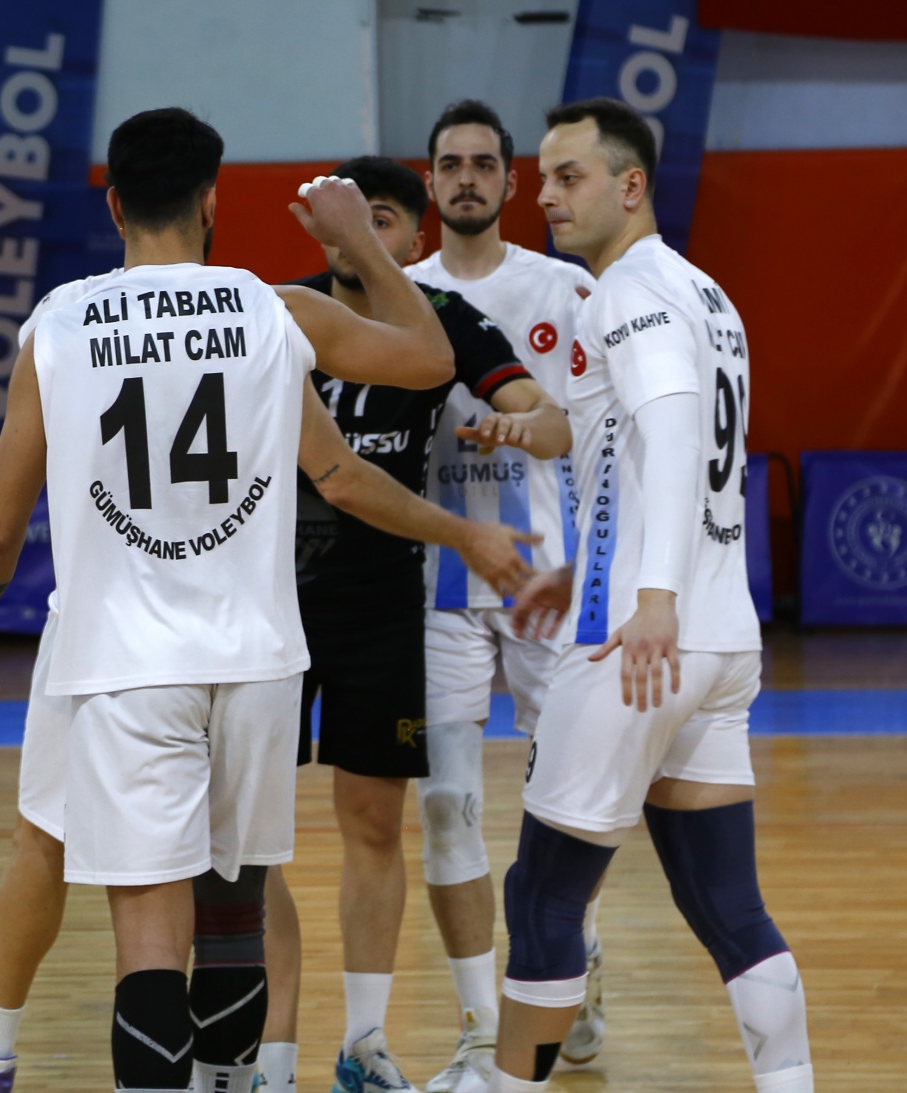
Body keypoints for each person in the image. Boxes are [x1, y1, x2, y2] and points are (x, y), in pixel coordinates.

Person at [0, 106, 537, 1093]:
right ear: (212, 201)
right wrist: (362, 246)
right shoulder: (270, 310)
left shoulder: (61, 325)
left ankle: (4, 1045)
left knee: (150, 938)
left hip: (129, 664)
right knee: (235, 915)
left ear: (113, 205)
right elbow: (429, 360)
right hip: (257, 662)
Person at [486, 98, 814, 1093]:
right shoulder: (704, 292)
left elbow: (671, 434)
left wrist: (652, 594)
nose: (546, 197)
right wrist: (590, 568)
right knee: (725, 904)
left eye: (568, 176)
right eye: (542, 178)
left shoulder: (628, 291)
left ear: (631, 185)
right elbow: (637, 457)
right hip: (718, 641)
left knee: (543, 894)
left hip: (639, 641)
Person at [260, 155, 570, 1093]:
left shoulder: (445, 322)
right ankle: (270, 1055)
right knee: (251, 831)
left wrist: (518, 427)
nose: (360, 236)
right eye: (349, 219)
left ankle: (365, 1043)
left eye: (383, 220)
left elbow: (546, 416)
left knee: (375, 820)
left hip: (382, 600)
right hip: (272, 598)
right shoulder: (278, 313)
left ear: (411, 238)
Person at [400, 100, 603, 1091]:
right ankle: (482, 1029)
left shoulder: (564, 289)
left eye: (484, 163)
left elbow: (591, 432)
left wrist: (526, 429)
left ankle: (573, 952)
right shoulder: (397, 297)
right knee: (445, 804)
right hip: (437, 591)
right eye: (452, 164)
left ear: (509, 181)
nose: (468, 178)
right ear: (429, 180)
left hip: (546, 584)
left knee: (564, 800)